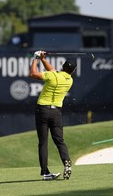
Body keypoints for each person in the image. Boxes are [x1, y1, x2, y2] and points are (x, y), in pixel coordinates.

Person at [29, 50, 77, 180]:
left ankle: (45, 172)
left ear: (63, 67)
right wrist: (43, 59)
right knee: (59, 140)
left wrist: (35, 58)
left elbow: (33, 73)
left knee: (43, 142)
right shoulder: (69, 80)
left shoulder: (52, 76)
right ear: (72, 71)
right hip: (56, 113)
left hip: (42, 111)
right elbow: (54, 72)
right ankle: (66, 161)